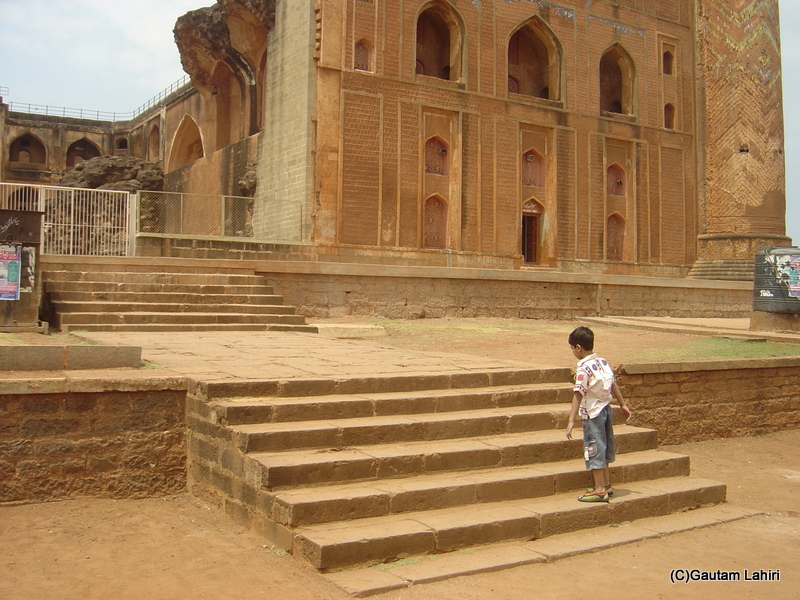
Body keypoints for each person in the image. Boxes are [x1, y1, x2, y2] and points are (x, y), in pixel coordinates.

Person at [565, 326, 632, 502]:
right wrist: (623, 404)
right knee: (605, 445)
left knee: (594, 447)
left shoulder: (584, 368)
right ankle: (606, 484)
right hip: (606, 409)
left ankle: (599, 489)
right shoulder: (602, 362)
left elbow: (578, 393)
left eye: (572, 347)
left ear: (578, 347)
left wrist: (571, 420)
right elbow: (613, 384)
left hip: (593, 413)